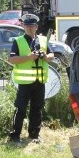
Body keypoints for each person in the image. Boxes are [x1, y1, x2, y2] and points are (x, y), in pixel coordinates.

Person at [7, 13, 54, 144]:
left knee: (37, 109)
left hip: (39, 81)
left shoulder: (43, 40)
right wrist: (29, 57)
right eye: (26, 25)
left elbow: (52, 55)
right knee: (20, 108)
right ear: (23, 26)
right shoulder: (18, 41)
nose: (28, 28)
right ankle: (15, 135)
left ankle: (34, 134)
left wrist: (45, 56)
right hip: (25, 82)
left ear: (36, 27)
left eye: (31, 26)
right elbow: (11, 59)